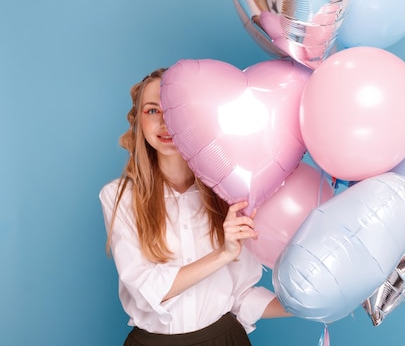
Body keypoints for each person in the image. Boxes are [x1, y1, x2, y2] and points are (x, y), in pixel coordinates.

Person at [100, 68, 290, 346]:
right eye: (153, 111)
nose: (166, 122)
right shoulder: (118, 197)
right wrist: (223, 254)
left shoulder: (229, 193)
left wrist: (310, 304)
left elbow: (240, 295)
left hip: (224, 339)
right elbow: (146, 290)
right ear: (138, 121)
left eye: (177, 110)